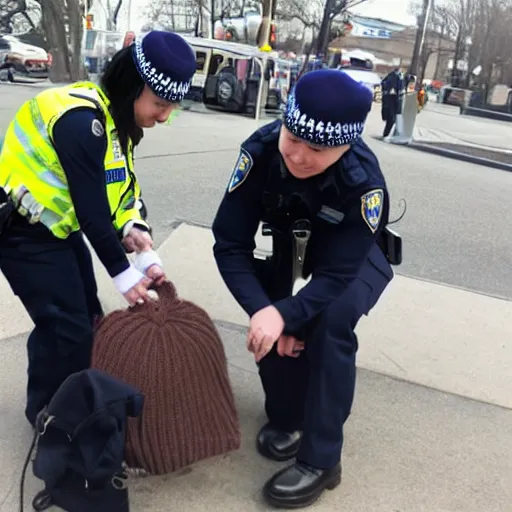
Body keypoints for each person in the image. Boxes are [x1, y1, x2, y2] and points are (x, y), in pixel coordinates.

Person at [212, 69, 400, 508]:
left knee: (329, 323)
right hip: (291, 248)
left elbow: (336, 277)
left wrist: (292, 314)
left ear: (346, 145)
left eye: (316, 149)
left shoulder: (363, 182)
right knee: (277, 330)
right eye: (293, 138)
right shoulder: (260, 152)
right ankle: (289, 416)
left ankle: (322, 460)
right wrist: (267, 311)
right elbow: (230, 244)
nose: (297, 156)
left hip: (349, 261)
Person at [0, 30, 197, 427]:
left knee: (83, 319)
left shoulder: (113, 122)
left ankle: (54, 404)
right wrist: (126, 276)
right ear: (132, 86)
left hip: (58, 231)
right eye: (159, 104)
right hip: (21, 233)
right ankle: (52, 419)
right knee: (69, 329)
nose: (164, 117)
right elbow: (91, 211)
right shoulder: (79, 120)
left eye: (171, 107)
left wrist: (133, 229)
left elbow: (121, 187)